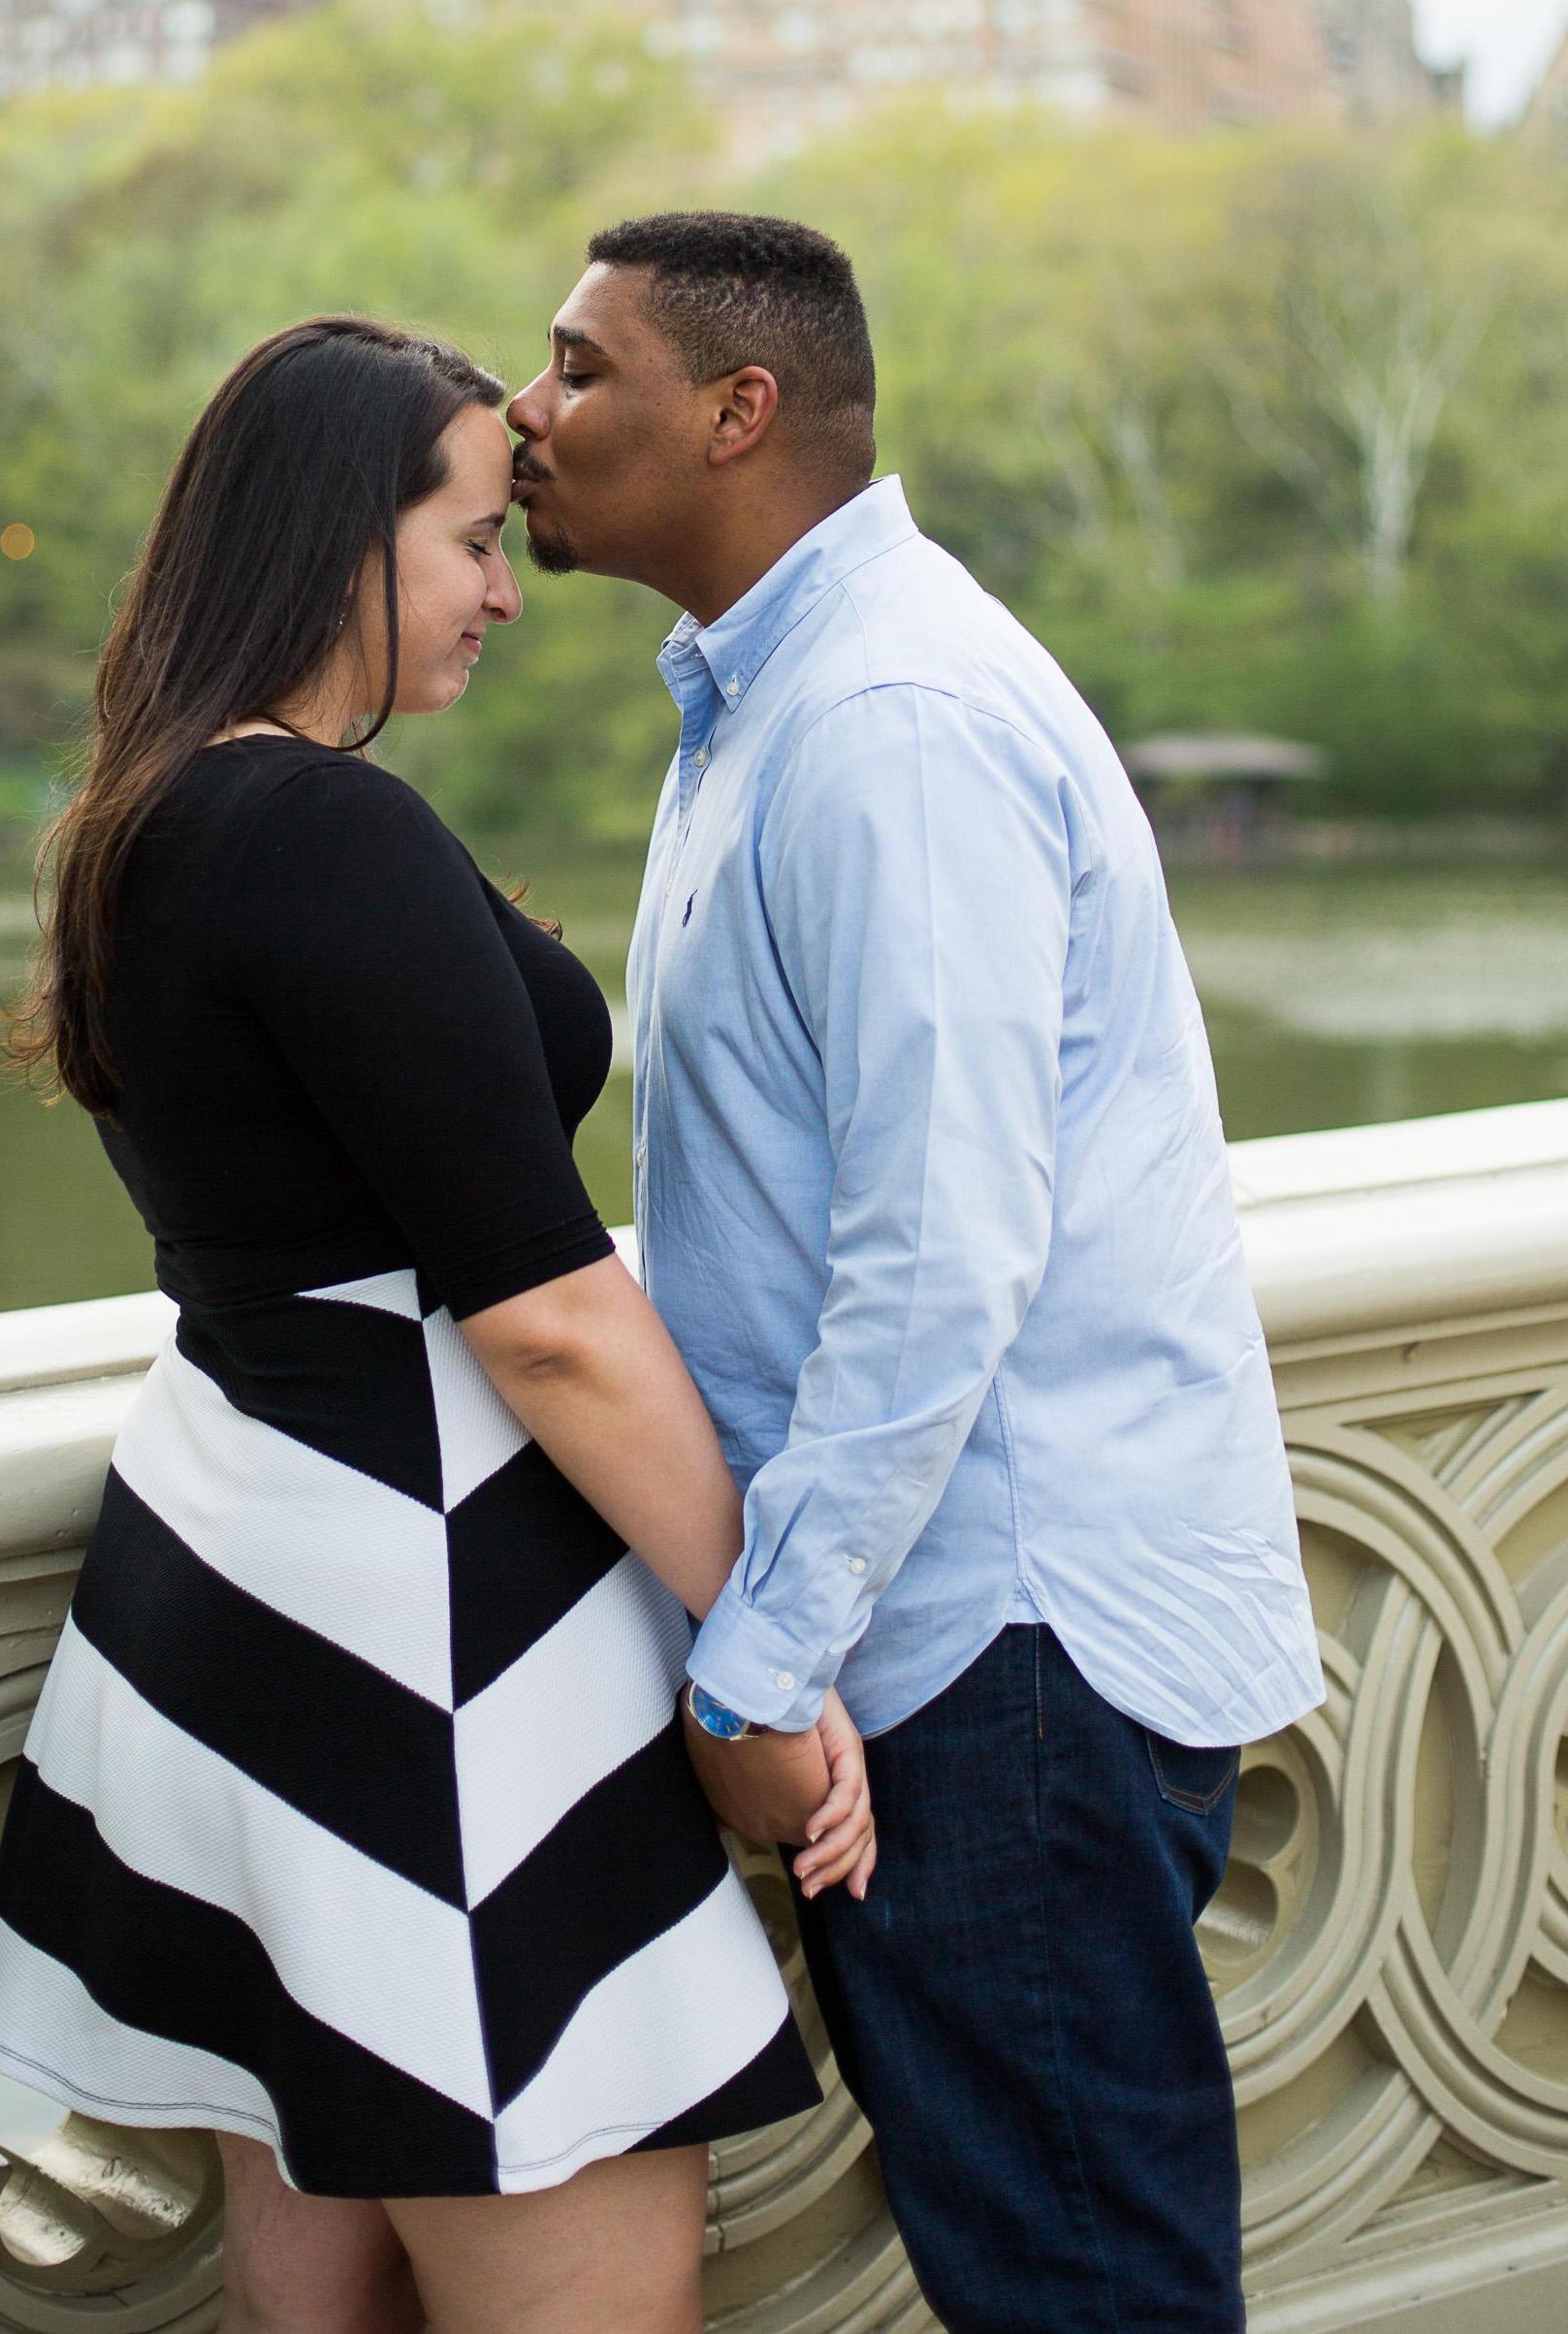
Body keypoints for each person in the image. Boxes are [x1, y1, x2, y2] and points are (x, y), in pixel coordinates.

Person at [0, 316, 872, 2334]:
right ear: (330, 544)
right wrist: (768, 1649)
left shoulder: (152, 815)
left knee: (327, 2290)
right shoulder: (313, 828)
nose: (501, 588)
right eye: (471, 538)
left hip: (245, 1578)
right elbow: (550, 1317)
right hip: (434, 1647)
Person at [504, 217, 1327, 2334]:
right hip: (958, 1633)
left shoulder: (887, 721)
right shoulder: (784, 700)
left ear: (738, 412)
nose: (532, 414)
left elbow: (943, 1257)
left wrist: (765, 1665)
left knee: (1081, 2294)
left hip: (995, 1651)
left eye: (582, 368)